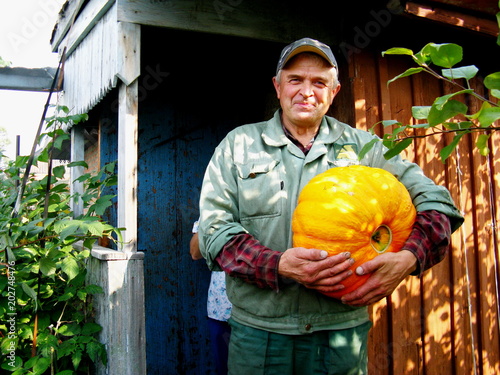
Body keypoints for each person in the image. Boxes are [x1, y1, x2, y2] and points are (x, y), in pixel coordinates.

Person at [198, 37, 464, 375]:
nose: (306, 91)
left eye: (319, 82)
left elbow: (439, 204)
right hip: (259, 335)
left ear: (334, 92)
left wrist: (410, 259)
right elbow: (214, 231)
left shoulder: (366, 148)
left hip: (340, 336)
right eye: (295, 80)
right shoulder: (238, 146)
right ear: (277, 86)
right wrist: (278, 264)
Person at [190, 219, 232, 375]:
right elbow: (195, 252)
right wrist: (212, 218)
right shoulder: (218, 205)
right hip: (222, 310)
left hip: (261, 314)